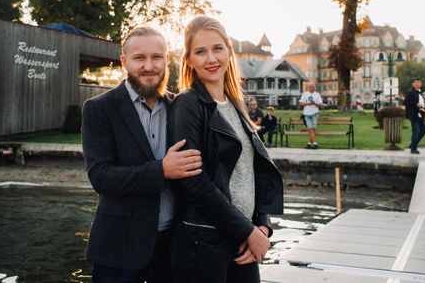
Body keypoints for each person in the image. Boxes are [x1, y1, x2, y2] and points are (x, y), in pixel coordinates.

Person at [81, 26, 203, 283]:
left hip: (173, 249)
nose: (149, 66)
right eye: (140, 58)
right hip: (118, 250)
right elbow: (101, 177)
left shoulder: (180, 108)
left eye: (157, 57)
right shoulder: (99, 109)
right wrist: (162, 170)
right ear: (125, 62)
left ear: (166, 58)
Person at [167, 16, 284, 283]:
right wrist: (247, 231)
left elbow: (251, 170)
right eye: (200, 51)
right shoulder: (187, 105)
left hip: (242, 238)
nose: (211, 58)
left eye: (217, 48)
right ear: (189, 60)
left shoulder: (235, 104)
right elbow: (193, 182)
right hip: (203, 241)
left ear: (229, 53)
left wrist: (262, 224)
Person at [404, 77, 425, 154]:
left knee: (423, 130)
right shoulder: (410, 92)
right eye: (416, 82)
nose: (418, 84)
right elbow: (406, 103)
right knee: (416, 131)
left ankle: (413, 145)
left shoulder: (420, 92)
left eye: (419, 82)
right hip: (414, 115)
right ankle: (413, 149)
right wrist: (416, 104)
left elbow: (422, 102)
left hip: (421, 114)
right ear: (413, 84)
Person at [299, 82, 323, 149]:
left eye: (313, 87)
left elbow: (320, 105)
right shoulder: (305, 94)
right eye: (310, 87)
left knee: (312, 129)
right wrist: (308, 104)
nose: (312, 88)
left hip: (314, 113)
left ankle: (309, 143)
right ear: (308, 88)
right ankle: (315, 143)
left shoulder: (317, 94)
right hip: (306, 114)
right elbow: (300, 104)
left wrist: (314, 103)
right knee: (310, 128)